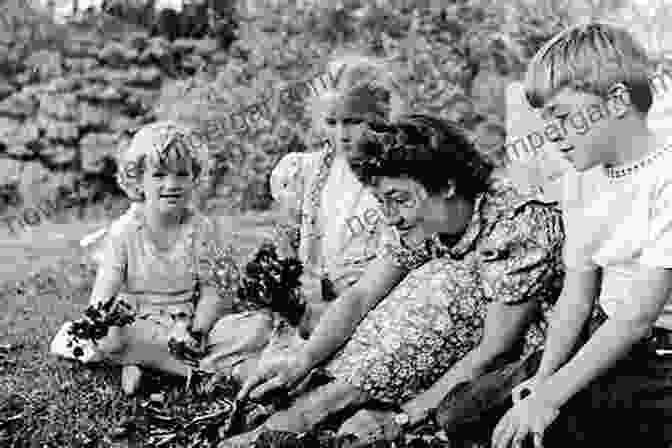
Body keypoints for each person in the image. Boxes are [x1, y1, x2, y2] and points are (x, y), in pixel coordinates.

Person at [221, 114, 564, 447]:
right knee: (411, 285)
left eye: (399, 199)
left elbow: (496, 348)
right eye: (382, 201)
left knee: (447, 280)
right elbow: (362, 295)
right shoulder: (419, 217)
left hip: (525, 356)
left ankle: (324, 405)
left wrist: (404, 418)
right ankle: (321, 393)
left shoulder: (515, 223)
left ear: (447, 185)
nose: (391, 216)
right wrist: (304, 359)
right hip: (445, 350)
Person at [438, 22, 672, 448]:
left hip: (658, 351)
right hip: (601, 333)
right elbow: (577, 296)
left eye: (562, 117)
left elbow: (637, 317)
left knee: (556, 425)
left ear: (617, 101)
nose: (552, 134)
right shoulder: (582, 178)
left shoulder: (665, 177)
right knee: (461, 412)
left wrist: (552, 397)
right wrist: (544, 379)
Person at [64, 121, 248, 395]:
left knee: (252, 328)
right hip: (135, 322)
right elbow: (103, 294)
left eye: (182, 174)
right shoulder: (124, 232)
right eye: (159, 175)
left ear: (195, 177)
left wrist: (197, 331)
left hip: (184, 324)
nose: (172, 184)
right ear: (138, 179)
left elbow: (212, 290)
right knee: (109, 337)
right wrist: (101, 322)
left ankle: (145, 364)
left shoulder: (201, 229)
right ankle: (188, 371)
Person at [268, 52, 405, 331]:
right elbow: (286, 240)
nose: (342, 134)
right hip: (308, 302)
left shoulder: (396, 179)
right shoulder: (305, 171)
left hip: (369, 305)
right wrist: (290, 283)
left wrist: (328, 289)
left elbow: (396, 263)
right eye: (333, 123)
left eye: (354, 122)